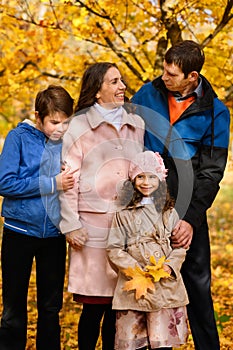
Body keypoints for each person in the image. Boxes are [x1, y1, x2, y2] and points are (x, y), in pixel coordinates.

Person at [131, 40, 230, 350]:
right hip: (144, 210)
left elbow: (211, 172)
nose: (164, 77)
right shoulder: (148, 93)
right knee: (146, 288)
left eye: (172, 73)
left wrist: (189, 219)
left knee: (198, 291)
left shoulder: (215, 112)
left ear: (192, 76)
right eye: (163, 69)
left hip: (187, 211)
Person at [59, 62, 145, 350]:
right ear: (97, 91)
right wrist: (71, 223)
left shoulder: (137, 124)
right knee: (93, 306)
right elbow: (67, 179)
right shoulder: (78, 126)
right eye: (114, 82)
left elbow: (140, 172)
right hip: (92, 228)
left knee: (118, 308)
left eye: (121, 81)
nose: (122, 87)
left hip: (128, 229)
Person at [0, 85, 75, 350]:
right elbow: (5, 183)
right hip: (19, 232)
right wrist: (51, 183)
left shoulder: (67, 142)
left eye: (66, 122)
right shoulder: (17, 138)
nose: (61, 128)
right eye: (55, 122)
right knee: (13, 308)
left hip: (54, 236)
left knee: (51, 308)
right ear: (38, 116)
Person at [107, 150, 189, 350]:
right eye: (141, 176)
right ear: (133, 180)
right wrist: (134, 269)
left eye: (152, 177)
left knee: (162, 343)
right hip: (134, 285)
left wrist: (169, 267)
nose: (146, 182)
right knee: (135, 342)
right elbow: (114, 248)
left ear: (160, 180)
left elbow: (179, 247)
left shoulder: (169, 211)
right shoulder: (123, 213)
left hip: (164, 286)